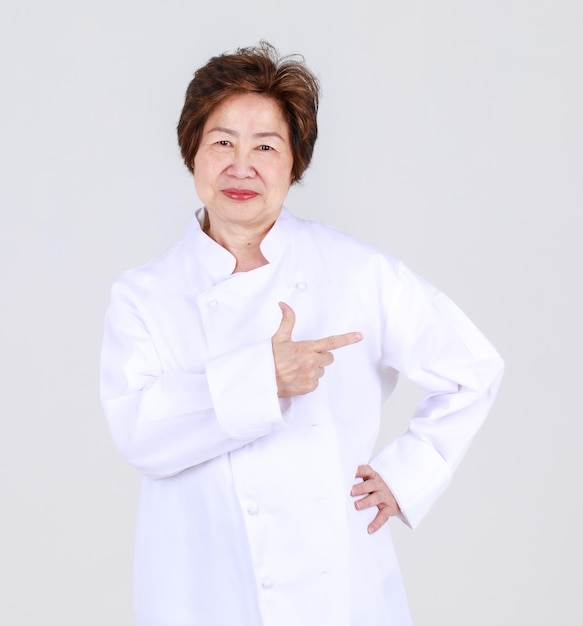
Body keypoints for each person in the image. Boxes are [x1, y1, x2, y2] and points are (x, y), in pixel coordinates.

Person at [100, 41, 504, 626]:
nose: (242, 166)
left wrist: (407, 475)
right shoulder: (144, 295)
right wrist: (264, 377)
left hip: (336, 589)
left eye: (266, 146)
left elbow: (472, 369)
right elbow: (139, 435)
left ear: (296, 163)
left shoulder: (357, 273)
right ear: (193, 153)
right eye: (222, 143)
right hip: (198, 587)